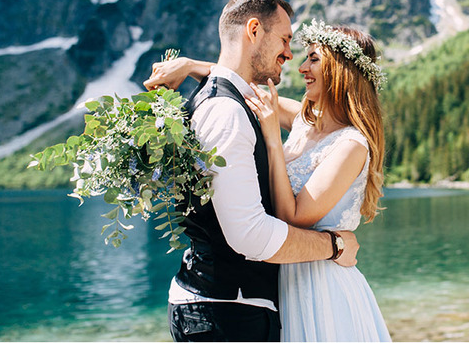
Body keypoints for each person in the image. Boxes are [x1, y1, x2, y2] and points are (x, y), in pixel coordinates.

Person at [146, 19, 391, 341]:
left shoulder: (351, 145)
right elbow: (242, 86)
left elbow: (293, 217)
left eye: (314, 59)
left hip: (320, 284)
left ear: (341, 70)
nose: (302, 67)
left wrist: (273, 141)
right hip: (282, 279)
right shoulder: (306, 122)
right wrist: (190, 66)